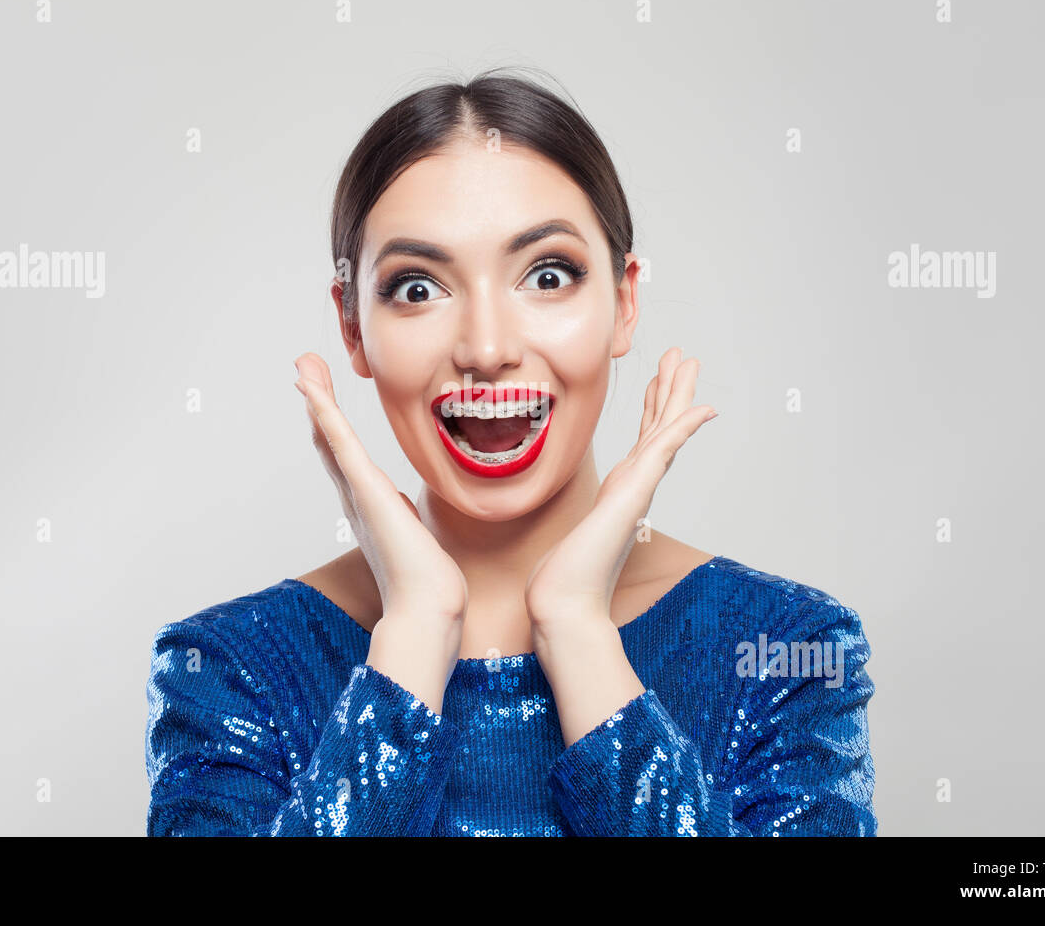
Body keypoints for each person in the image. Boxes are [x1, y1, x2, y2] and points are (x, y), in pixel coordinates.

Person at [145, 68, 877, 836]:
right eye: (418, 288)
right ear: (353, 328)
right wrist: (417, 630)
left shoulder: (786, 649)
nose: (487, 349)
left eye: (547, 275)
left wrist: (578, 630)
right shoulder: (228, 669)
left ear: (625, 304)